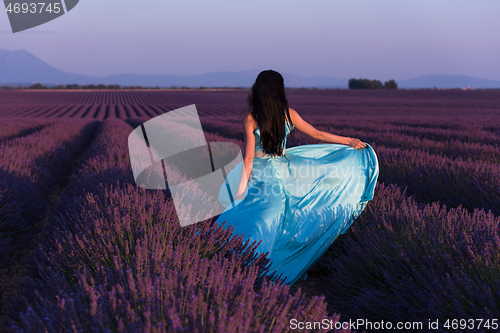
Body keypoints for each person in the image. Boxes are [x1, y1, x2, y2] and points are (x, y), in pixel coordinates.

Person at [216, 70, 379, 285]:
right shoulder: (288, 113)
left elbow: (247, 158)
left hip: (261, 171)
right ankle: (267, 262)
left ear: (258, 89)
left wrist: (240, 191)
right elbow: (318, 134)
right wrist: (348, 140)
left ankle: (243, 263)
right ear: (279, 90)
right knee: (286, 215)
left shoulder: (251, 117)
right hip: (284, 169)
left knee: (256, 215)